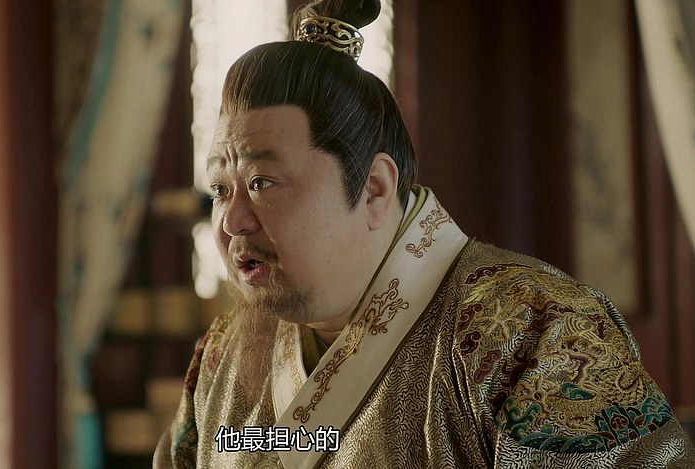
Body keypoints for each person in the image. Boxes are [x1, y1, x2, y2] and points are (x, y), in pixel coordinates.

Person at [154, 0, 695, 467]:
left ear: (374, 189)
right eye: (221, 189)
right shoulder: (224, 352)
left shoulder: (533, 332)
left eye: (262, 182)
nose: (232, 221)